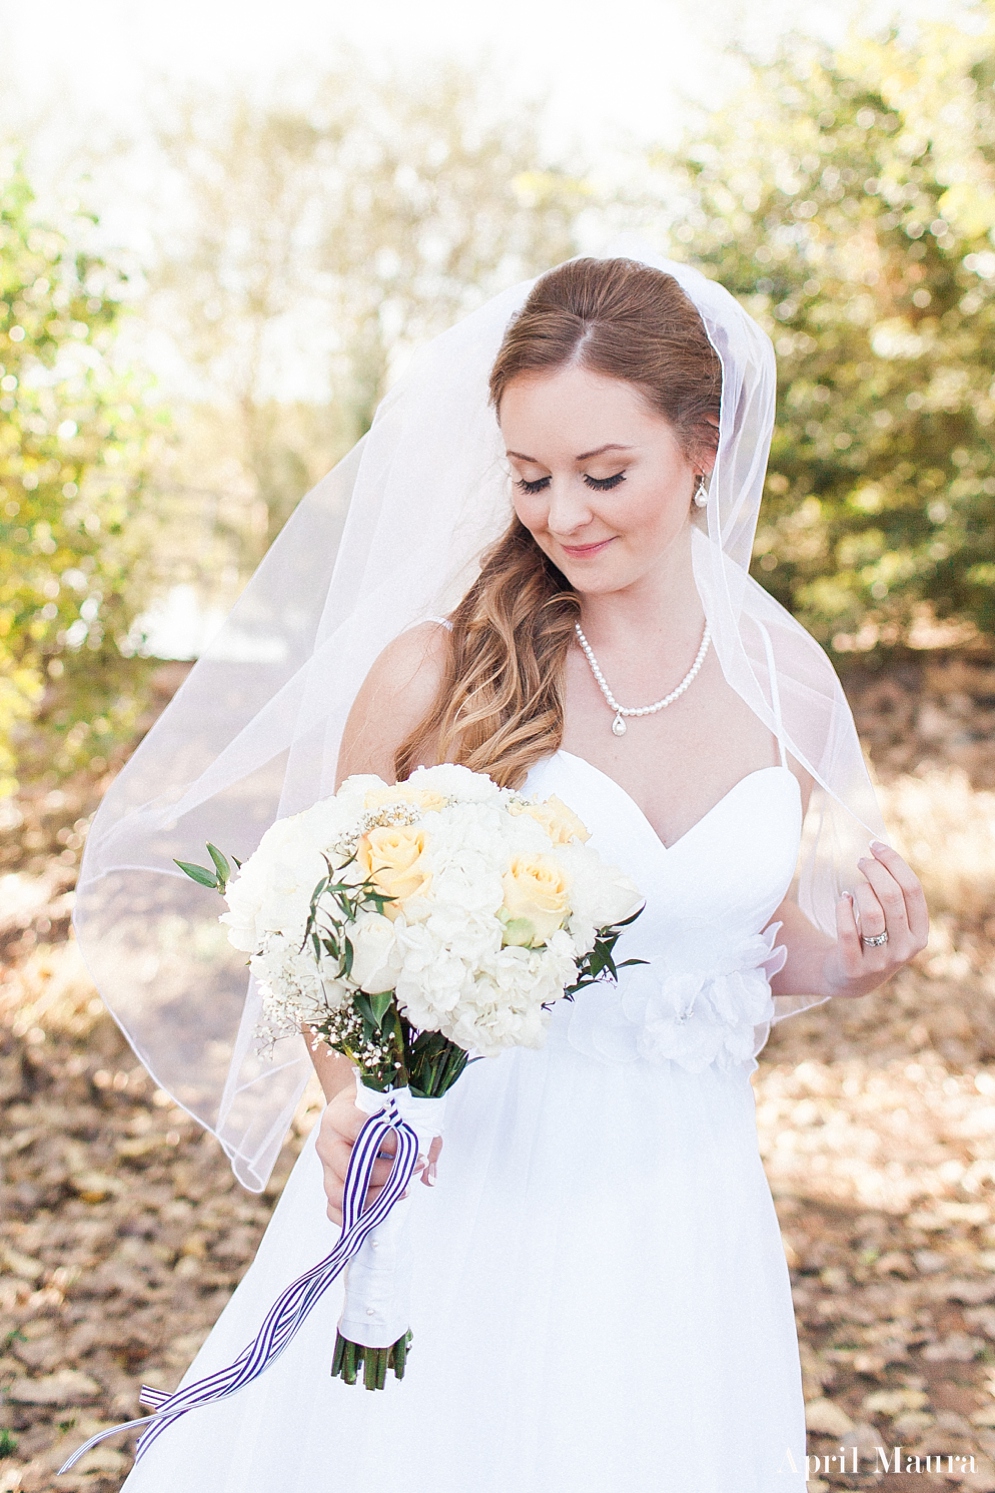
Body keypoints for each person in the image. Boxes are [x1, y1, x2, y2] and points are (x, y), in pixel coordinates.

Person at [79, 256, 926, 1492]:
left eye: (602, 474)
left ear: (703, 446)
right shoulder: (442, 673)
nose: (562, 513)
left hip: (675, 1205)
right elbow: (322, 938)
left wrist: (849, 960)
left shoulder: (786, 686)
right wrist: (344, 1102)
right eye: (530, 476)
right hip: (458, 1177)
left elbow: (730, 937)